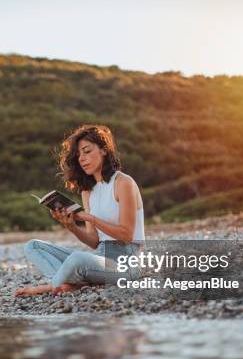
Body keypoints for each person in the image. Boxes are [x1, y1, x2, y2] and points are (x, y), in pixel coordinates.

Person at [14, 125, 145, 296]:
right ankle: (72, 283)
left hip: (125, 263)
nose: (82, 159)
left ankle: (52, 286)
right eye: (78, 155)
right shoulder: (88, 191)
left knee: (76, 259)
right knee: (33, 246)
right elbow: (94, 242)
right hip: (99, 258)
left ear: (104, 150)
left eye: (87, 151)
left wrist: (91, 219)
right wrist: (72, 226)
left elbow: (127, 235)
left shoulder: (123, 182)